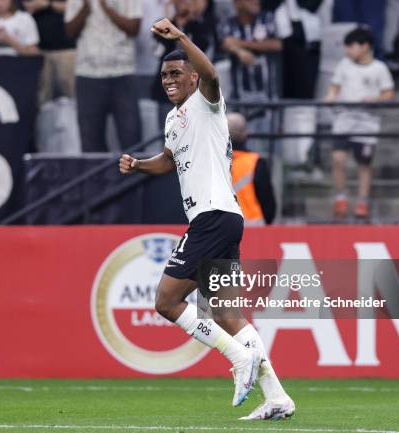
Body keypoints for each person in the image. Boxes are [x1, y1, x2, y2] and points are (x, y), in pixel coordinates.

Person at [119, 18, 294, 420]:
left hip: (212, 216)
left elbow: (213, 72)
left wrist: (180, 36)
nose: (168, 79)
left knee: (166, 301)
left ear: (193, 77)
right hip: (222, 218)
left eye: (176, 72)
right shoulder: (173, 119)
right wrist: (138, 165)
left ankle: (237, 359)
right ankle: (277, 397)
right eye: (164, 74)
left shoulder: (207, 102)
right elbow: (168, 160)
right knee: (227, 313)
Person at [325, 26, 395, 220]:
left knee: (364, 164)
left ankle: (362, 202)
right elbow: (334, 88)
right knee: (338, 159)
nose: (348, 51)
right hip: (343, 121)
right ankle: (341, 197)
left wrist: (376, 99)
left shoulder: (379, 68)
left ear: (365, 46)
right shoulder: (343, 65)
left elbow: (388, 93)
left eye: (351, 46)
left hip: (367, 124)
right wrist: (330, 98)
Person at [65, 0, 142, 153]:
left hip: (123, 73)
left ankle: (133, 177)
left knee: (131, 139)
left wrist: (106, 8)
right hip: (88, 75)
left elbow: (134, 28)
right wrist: (85, 8)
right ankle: (98, 178)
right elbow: (70, 31)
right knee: (90, 142)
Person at [151, 0, 215, 125]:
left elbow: (201, 46)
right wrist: (170, 20)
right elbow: (159, 47)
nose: (183, 3)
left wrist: (190, 22)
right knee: (167, 133)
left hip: (192, 89)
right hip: (167, 88)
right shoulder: (164, 24)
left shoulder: (199, 26)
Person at [219, 0, 282, 101]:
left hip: (268, 97)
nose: (256, 1)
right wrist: (239, 52)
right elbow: (226, 43)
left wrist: (241, 44)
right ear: (237, 3)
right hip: (239, 98)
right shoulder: (229, 23)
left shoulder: (267, 19)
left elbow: (277, 45)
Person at [23, 0, 77, 103]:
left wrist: (48, 4)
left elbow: (76, 8)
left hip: (67, 49)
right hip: (39, 50)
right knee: (42, 96)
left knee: (72, 93)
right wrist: (29, 7)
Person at [228, 112, 276, 225]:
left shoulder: (213, 162)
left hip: (220, 232)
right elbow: (269, 206)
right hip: (254, 231)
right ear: (245, 134)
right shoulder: (256, 163)